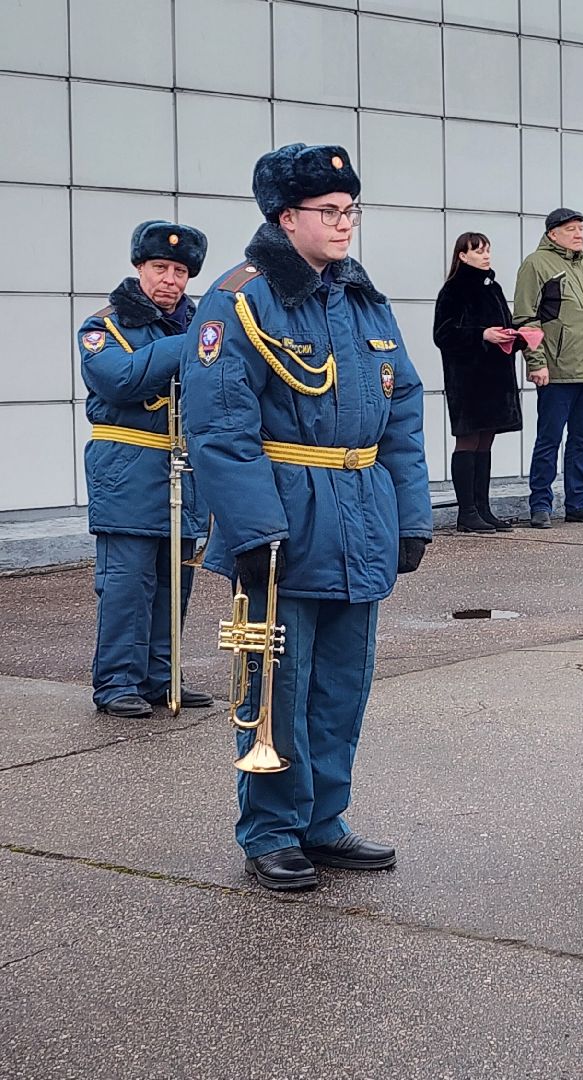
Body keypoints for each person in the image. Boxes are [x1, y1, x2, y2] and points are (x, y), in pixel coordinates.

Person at [182, 143, 431, 892]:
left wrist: (410, 517)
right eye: (329, 211)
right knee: (277, 684)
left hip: (359, 513)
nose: (345, 223)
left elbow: (405, 409)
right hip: (286, 522)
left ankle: (323, 821)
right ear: (286, 218)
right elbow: (221, 427)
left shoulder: (359, 296)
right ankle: (271, 829)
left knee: (341, 685)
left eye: (351, 209)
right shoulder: (241, 299)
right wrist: (255, 532)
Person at [79, 219, 214, 718]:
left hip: (183, 466)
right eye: (160, 267)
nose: (170, 280)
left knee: (173, 580)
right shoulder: (105, 325)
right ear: (140, 267)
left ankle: (162, 676)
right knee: (126, 582)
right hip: (128, 466)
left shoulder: (201, 324)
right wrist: (189, 343)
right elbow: (120, 380)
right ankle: (116, 682)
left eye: (180, 271)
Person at [514, 207, 583, 527]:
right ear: (552, 233)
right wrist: (537, 362)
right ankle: (540, 504)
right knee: (549, 439)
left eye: (581, 229)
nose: (578, 234)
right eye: (571, 229)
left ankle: (577, 502)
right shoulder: (536, 264)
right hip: (556, 370)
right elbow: (526, 318)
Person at [433, 231, 522, 533]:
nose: (486, 255)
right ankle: (466, 512)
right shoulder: (454, 290)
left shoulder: (493, 287)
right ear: (462, 255)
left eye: (488, 249)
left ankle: (483, 508)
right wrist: (482, 334)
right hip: (468, 380)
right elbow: (443, 334)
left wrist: (519, 336)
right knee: (468, 440)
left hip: (495, 379)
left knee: (486, 442)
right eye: (478, 250)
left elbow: (503, 326)